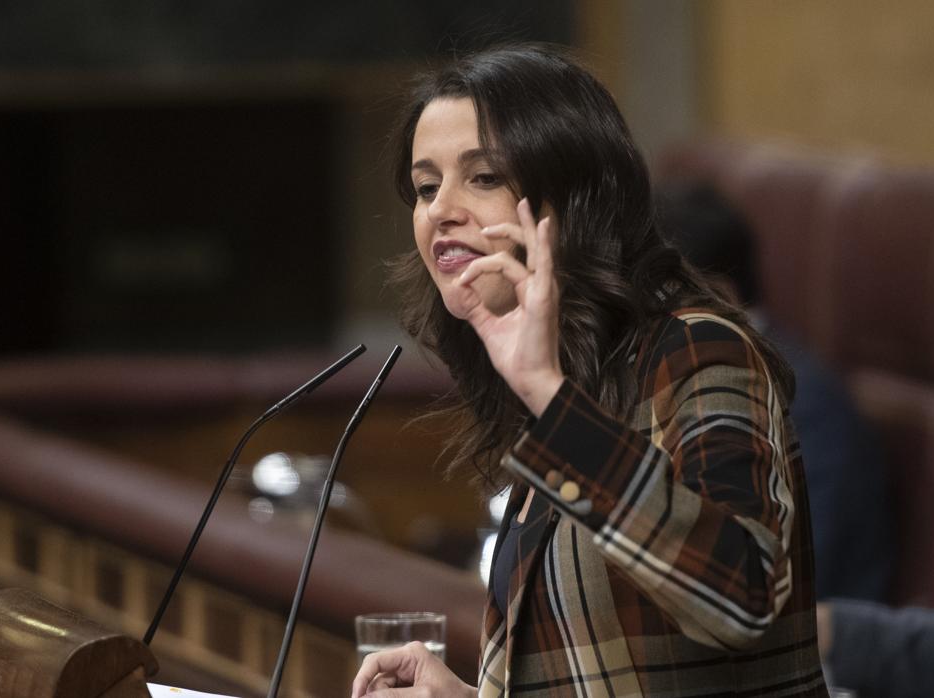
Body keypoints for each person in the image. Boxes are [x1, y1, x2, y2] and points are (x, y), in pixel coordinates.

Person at [352, 44, 827, 697]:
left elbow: (738, 598)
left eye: (483, 177)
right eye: (427, 187)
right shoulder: (569, 382)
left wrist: (547, 397)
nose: (440, 210)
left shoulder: (696, 350)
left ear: (573, 200)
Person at [658, 183, 894, 602]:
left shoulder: (803, 403)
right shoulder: (682, 376)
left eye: (651, 299)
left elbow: (787, 587)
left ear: (716, 297)